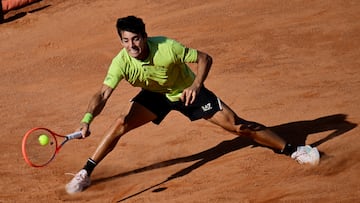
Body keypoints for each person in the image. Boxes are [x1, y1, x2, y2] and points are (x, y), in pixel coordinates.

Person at [65, 16, 320, 194]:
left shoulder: (167, 47)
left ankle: (294, 149)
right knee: (121, 122)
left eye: (135, 39)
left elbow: (205, 58)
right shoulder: (121, 61)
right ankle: (86, 172)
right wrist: (87, 120)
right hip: (155, 95)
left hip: (187, 92)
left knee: (239, 127)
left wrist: (196, 86)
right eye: (125, 41)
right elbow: (102, 93)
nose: (131, 46)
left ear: (145, 36)